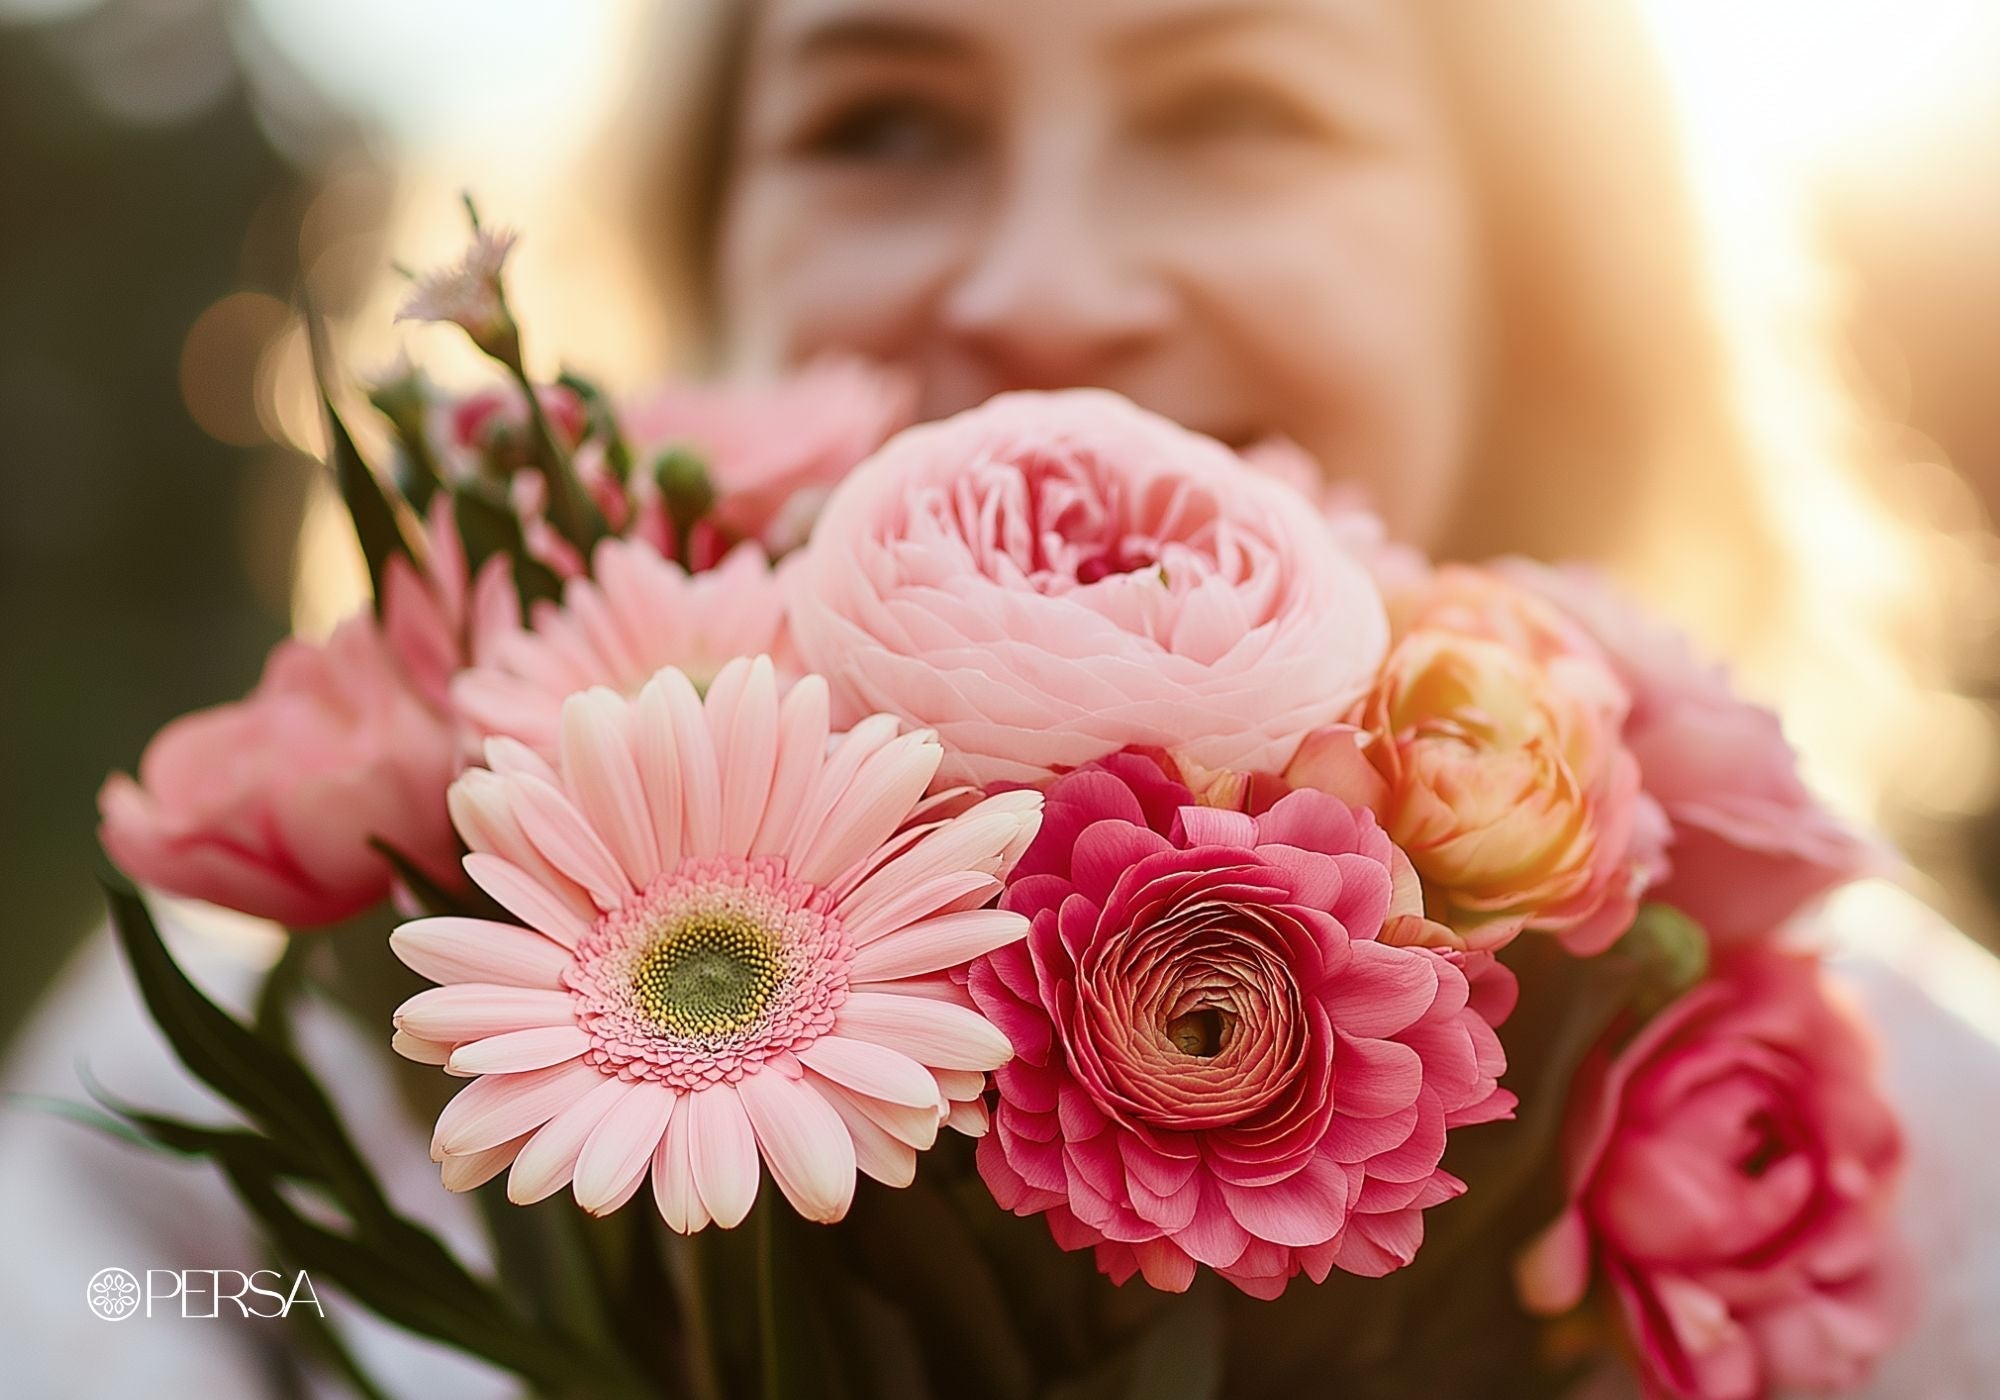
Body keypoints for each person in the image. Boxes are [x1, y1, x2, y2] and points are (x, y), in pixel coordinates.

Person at [6, 0, 1996, 1393]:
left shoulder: (1930, 1148)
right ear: (704, 242)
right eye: (883, 121)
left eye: (1238, 106)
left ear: (1532, 259)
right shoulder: (228, 1099)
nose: (1044, 291)